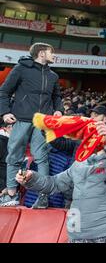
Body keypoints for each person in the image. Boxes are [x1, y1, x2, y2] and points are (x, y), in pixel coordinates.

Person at [16, 122, 106, 243]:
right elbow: (54, 184)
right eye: (105, 133)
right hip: (76, 235)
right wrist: (32, 178)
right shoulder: (80, 163)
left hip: (105, 236)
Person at [0, 43, 63, 208]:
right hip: (21, 119)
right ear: (42, 53)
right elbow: (4, 91)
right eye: (52, 52)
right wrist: (5, 112)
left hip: (42, 122)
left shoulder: (53, 76)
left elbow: (57, 97)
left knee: (42, 158)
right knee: (14, 156)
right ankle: (12, 194)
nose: (54, 55)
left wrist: (59, 110)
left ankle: (43, 196)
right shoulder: (21, 69)